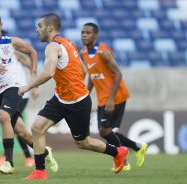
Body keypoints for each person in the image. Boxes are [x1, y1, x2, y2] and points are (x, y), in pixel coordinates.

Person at [18, 13, 128, 180]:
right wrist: (70, 85)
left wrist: (28, 86)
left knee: (83, 142)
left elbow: (48, 72)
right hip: (62, 98)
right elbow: (83, 70)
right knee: (37, 128)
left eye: (39, 26)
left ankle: (118, 152)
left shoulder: (53, 46)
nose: (37, 30)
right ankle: (40, 171)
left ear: (50, 27)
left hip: (76, 102)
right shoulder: (68, 43)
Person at [0, 10, 56, 174]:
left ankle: (9, 163)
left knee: (3, 116)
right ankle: (45, 152)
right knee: (22, 132)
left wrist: (34, 73)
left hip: (13, 86)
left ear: (1, 25)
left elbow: (32, 52)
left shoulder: (12, 42)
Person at [79, 22, 148, 171]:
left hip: (115, 96)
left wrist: (111, 100)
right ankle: (138, 147)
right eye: (82, 32)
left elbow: (118, 74)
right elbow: (92, 75)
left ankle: (123, 161)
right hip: (103, 98)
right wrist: (86, 93)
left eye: (88, 32)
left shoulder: (103, 52)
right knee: (108, 132)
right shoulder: (83, 53)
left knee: (105, 131)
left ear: (95, 35)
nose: (84, 35)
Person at [0, 50, 39, 168]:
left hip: (22, 93)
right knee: (15, 125)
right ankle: (34, 154)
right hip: (10, 94)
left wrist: (34, 86)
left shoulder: (14, 54)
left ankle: (19, 157)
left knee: (13, 123)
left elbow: (30, 66)